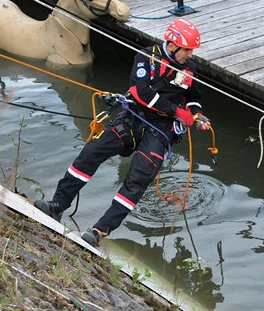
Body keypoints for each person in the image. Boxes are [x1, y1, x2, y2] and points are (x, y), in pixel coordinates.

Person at [34, 18, 210, 247]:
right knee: (92, 153)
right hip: (133, 118)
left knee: (137, 180)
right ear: (174, 45)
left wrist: (197, 116)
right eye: (188, 50)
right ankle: (57, 205)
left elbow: (195, 99)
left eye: (192, 51)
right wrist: (177, 111)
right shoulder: (146, 57)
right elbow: (141, 93)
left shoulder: (190, 70)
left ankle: (98, 231)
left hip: (161, 131)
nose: (191, 55)